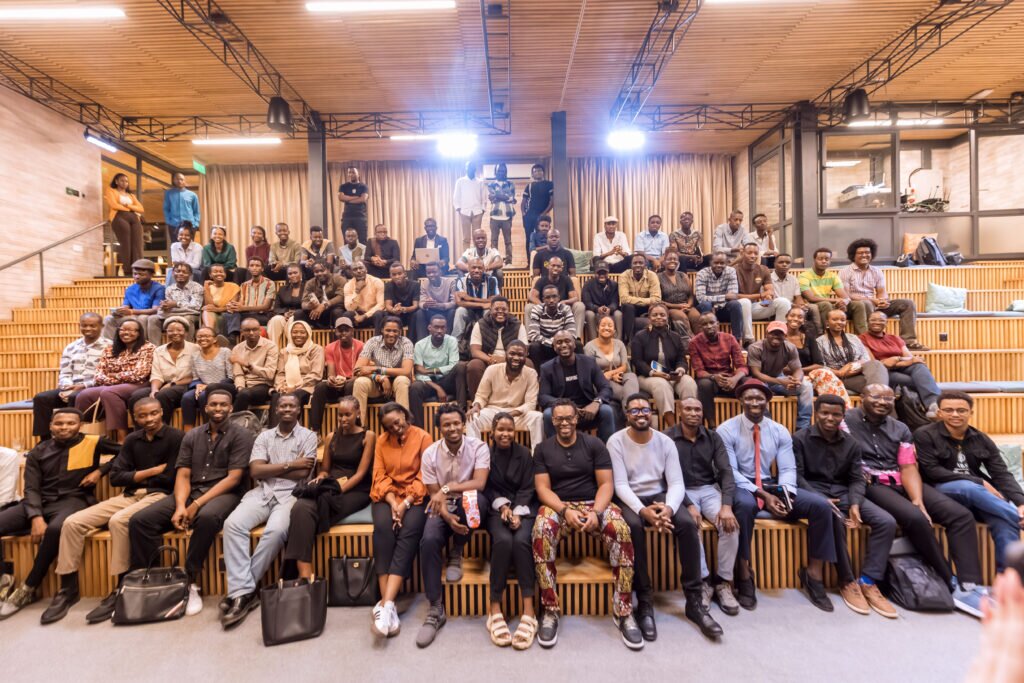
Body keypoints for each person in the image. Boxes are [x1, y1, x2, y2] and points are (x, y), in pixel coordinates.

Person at [845, 384, 988, 617]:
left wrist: (917, 499)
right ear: (862, 398)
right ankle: (950, 580)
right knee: (915, 517)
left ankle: (970, 584)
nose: (882, 402)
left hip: (902, 480)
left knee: (960, 516)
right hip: (872, 484)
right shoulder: (846, 420)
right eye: (876, 396)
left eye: (888, 398)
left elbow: (908, 467)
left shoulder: (900, 427)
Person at [43, 398, 181, 624]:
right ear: (134, 418)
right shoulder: (132, 439)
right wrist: (151, 471)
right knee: (72, 522)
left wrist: (135, 475)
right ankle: (67, 589)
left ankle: (121, 586)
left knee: (119, 521)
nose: (149, 419)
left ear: (162, 412)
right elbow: (116, 477)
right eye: (142, 416)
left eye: (154, 413)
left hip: (160, 495)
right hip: (129, 495)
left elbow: (170, 477)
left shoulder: (176, 437)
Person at [720, 379, 853, 612]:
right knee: (743, 507)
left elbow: (788, 469)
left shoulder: (779, 430)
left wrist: (785, 494)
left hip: (771, 483)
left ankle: (813, 575)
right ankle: (743, 573)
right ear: (740, 400)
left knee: (820, 506)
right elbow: (730, 472)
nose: (754, 402)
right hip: (742, 484)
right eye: (749, 398)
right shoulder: (726, 429)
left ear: (768, 401)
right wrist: (763, 495)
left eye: (759, 398)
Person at [127, 389, 253, 616]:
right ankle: (154, 582)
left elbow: (233, 478)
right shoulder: (192, 435)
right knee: (140, 520)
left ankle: (190, 581)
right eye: (213, 404)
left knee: (207, 517)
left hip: (227, 493)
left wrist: (195, 506)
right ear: (205, 408)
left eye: (223, 404)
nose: (218, 408)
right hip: (192, 490)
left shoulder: (241, 435)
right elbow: (183, 474)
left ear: (231, 408)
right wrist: (180, 506)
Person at [531, 399, 642, 650]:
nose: (564, 423)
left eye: (569, 418)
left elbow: (606, 484)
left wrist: (597, 512)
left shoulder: (594, 444)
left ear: (577, 419)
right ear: (552, 421)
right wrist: (564, 510)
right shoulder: (542, 449)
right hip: (559, 505)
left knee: (621, 530)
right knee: (540, 531)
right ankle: (550, 609)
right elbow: (542, 489)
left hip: (595, 503)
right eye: (559, 419)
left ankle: (624, 610)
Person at [610, 393, 721, 640]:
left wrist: (669, 508)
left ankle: (694, 601)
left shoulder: (665, 441)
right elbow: (620, 484)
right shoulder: (615, 441)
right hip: (630, 496)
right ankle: (645, 601)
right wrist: (643, 511)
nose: (641, 414)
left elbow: (676, 483)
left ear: (652, 413)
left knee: (687, 523)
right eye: (635, 410)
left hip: (659, 494)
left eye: (645, 409)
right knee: (633, 527)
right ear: (627, 415)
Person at [0, 409, 118, 620]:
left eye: (71, 423)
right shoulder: (38, 451)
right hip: (39, 501)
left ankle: (29, 587)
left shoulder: (94, 441)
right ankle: (3, 577)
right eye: (59, 423)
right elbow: (31, 489)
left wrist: (101, 471)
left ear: (80, 425)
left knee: (56, 528)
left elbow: (126, 452)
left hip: (74, 499)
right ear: (51, 426)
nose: (64, 427)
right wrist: (36, 517)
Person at [793, 395, 894, 616]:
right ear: (816, 413)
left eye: (836, 414)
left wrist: (856, 504)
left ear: (843, 416)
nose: (830, 418)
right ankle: (847, 580)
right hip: (814, 491)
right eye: (825, 413)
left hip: (844, 493)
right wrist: (817, 498)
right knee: (834, 518)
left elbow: (856, 478)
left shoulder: (851, 443)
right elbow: (797, 476)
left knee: (886, 521)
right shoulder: (800, 438)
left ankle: (868, 580)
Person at [221, 394, 316, 629]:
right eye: (283, 405)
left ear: (299, 410)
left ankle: (240, 592)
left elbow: (303, 474)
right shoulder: (264, 436)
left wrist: (270, 468)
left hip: (291, 495)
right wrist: (291, 464)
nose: (287, 409)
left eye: (292, 406)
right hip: (262, 493)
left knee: (275, 532)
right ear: (276, 410)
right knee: (232, 525)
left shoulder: (308, 436)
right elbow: (255, 471)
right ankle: (245, 592)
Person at [915, 390, 1024, 574]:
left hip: (978, 497)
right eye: (948, 410)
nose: (955, 414)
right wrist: (978, 481)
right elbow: (932, 471)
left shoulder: (981, 439)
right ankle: (1015, 516)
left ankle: (1010, 579)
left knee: (1003, 522)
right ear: (939, 412)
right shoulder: (924, 434)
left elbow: (1001, 474)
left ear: (971, 412)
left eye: (961, 410)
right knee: (969, 487)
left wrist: (1021, 502)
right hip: (940, 491)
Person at [416, 404, 490, 648]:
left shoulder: (478, 447)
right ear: (439, 428)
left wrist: (448, 488)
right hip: (442, 504)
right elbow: (434, 494)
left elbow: (479, 483)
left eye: (456, 423)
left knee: (477, 502)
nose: (452, 428)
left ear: (463, 424)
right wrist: (448, 518)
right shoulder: (430, 454)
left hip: (468, 497)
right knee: (428, 540)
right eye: (446, 424)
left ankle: (457, 551)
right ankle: (435, 608)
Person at [284, 395, 375, 579]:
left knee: (313, 512)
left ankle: (297, 575)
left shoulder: (368, 436)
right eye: (340, 415)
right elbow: (325, 470)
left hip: (356, 489)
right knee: (300, 507)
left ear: (358, 413)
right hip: (331, 484)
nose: (343, 419)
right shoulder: (331, 437)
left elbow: (361, 474)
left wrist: (338, 490)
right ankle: (305, 572)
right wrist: (319, 480)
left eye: (348, 414)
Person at [667, 398, 741, 617]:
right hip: (680, 490)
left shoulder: (713, 437)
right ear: (679, 411)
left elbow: (726, 472)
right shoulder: (667, 437)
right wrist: (688, 505)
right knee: (692, 527)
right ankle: (704, 581)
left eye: (698, 409)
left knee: (730, 525)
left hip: (709, 489)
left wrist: (726, 505)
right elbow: (664, 477)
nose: (694, 413)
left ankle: (723, 582)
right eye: (688, 409)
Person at [369, 402, 432, 638]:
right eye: (389, 426)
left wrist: (405, 504)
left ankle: (385, 604)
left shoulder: (423, 437)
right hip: (387, 497)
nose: (395, 428)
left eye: (397, 422)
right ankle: (388, 605)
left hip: (415, 496)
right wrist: (393, 502)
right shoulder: (381, 441)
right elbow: (379, 475)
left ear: (405, 416)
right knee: (383, 529)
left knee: (409, 531)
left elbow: (425, 475)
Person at [483, 412, 538, 649]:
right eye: (501, 429)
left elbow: (528, 487)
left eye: (509, 430)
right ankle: (495, 607)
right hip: (496, 509)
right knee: (504, 541)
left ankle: (529, 610)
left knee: (522, 540)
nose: (505, 434)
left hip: (524, 507)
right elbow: (486, 486)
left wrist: (517, 512)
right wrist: (503, 506)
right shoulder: (485, 454)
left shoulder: (524, 453)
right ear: (492, 432)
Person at [32, 313, 111, 442]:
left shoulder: (110, 346)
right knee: (42, 398)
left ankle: (71, 440)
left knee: (75, 396)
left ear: (101, 326)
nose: (88, 328)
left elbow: (108, 375)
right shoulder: (71, 347)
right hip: (71, 387)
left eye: (92, 326)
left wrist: (83, 386)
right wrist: (66, 387)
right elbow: (65, 372)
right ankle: (45, 442)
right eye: (84, 325)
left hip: (94, 388)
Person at [74, 318, 155, 442]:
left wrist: (113, 377)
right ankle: (82, 434)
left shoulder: (148, 348)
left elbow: (139, 374)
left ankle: (122, 438)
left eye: (131, 330)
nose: (126, 333)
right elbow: (99, 375)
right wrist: (115, 379)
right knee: (84, 395)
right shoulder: (110, 349)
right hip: (112, 385)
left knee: (109, 393)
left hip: (138, 384)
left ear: (139, 333)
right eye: (122, 330)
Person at [841, 238, 928, 350]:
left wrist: (883, 301)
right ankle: (871, 342)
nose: (864, 255)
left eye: (867, 252)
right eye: (860, 253)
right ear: (853, 255)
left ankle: (908, 341)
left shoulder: (876, 271)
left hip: (874, 305)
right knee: (866, 303)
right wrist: (872, 300)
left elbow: (882, 292)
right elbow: (847, 295)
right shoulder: (845, 272)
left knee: (907, 303)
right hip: (856, 307)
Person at [538, 330, 616, 442]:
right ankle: (555, 449)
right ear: (554, 347)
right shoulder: (547, 368)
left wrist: (596, 402)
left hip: (587, 412)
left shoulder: (589, 362)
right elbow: (543, 397)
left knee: (606, 411)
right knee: (548, 414)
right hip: (563, 413)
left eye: (567, 341)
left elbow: (605, 387)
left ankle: (605, 449)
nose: (563, 345)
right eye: (559, 342)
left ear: (574, 344)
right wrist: (567, 407)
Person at [860, 310, 940, 418]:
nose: (877, 322)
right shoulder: (862, 339)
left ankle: (933, 405)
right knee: (915, 380)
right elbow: (874, 363)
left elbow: (910, 357)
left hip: (901, 365)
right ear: (868, 322)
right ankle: (927, 406)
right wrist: (901, 360)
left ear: (886, 323)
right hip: (883, 371)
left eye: (881, 320)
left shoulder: (895, 338)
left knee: (919, 365)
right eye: (873, 320)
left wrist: (897, 360)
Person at [467, 340, 544, 450]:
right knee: (472, 418)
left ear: (526, 356)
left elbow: (530, 404)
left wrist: (509, 414)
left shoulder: (531, 373)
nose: (516, 358)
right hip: (493, 412)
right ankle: (475, 455)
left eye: (520, 355)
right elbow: (481, 395)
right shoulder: (492, 370)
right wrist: (476, 406)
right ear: (505, 354)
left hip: (517, 414)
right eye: (512, 353)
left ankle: (537, 456)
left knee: (537, 417)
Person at [630, 303, 697, 428]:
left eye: (662, 315)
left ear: (667, 317)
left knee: (689, 382)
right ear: (649, 318)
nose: (658, 317)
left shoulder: (675, 336)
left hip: (671, 375)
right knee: (661, 385)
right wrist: (654, 373)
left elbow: (681, 358)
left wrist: (680, 370)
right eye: (655, 315)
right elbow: (637, 361)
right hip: (647, 376)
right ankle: (673, 428)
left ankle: (688, 425)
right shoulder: (640, 337)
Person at [128, 317, 196, 425]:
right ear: (166, 333)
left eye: (179, 330)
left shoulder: (195, 349)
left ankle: (161, 429)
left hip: (185, 385)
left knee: (163, 394)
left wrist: (173, 384)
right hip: (164, 385)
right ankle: (140, 431)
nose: (175, 333)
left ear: (186, 332)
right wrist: (154, 390)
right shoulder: (159, 351)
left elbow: (195, 375)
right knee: (137, 396)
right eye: (171, 330)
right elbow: (156, 375)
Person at [747, 321, 813, 430]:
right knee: (760, 388)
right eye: (773, 333)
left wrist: (796, 380)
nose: (776, 336)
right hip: (759, 382)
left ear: (785, 336)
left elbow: (798, 369)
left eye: (780, 333)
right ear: (766, 333)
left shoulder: (790, 347)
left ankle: (803, 427)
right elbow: (756, 374)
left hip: (778, 379)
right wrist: (781, 382)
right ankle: (766, 426)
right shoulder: (756, 348)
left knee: (807, 386)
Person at [461, 297, 529, 401]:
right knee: (474, 365)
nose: (500, 312)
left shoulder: (517, 325)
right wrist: (491, 359)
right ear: (490, 310)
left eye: (504, 309)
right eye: (496, 309)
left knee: (528, 363)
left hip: (511, 359)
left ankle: (521, 401)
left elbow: (524, 350)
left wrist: (505, 359)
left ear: (508, 310)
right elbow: (475, 351)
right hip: (487, 359)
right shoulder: (480, 324)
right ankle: (478, 402)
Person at [688, 312, 748, 428]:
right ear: (700, 327)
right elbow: (699, 371)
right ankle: (712, 426)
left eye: (712, 322)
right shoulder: (694, 343)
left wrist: (735, 379)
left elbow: (742, 366)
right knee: (704, 385)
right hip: (710, 380)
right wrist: (713, 377)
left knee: (749, 383)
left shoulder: (729, 338)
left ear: (718, 324)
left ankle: (753, 422)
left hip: (730, 379)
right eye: (705, 324)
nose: (709, 326)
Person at [352, 317, 415, 425]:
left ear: (400, 332)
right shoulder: (373, 342)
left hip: (397, 384)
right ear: (382, 330)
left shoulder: (406, 343)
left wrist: (378, 369)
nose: (391, 334)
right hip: (377, 384)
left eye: (395, 331)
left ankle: (403, 426)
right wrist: (380, 377)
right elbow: (358, 370)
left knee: (402, 379)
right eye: (388, 330)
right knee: (360, 382)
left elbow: (406, 371)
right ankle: (358, 427)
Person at [785, 306, 851, 407]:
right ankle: (836, 410)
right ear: (786, 317)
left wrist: (799, 370)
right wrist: (795, 373)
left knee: (824, 374)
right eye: (792, 315)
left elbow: (819, 364)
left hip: (809, 376)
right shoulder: (778, 336)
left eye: (800, 317)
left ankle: (841, 411)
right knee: (823, 377)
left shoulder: (808, 337)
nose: (795, 319)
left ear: (804, 321)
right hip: (786, 378)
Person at [308, 317, 365, 434]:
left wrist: (347, 381)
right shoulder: (330, 347)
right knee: (320, 387)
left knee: (352, 385)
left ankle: (349, 430)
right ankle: (315, 431)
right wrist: (331, 380)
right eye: (340, 330)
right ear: (335, 332)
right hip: (338, 384)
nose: (343, 333)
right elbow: (331, 372)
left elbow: (360, 373)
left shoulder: (361, 346)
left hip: (352, 383)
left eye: (346, 330)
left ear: (352, 331)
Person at [817, 309, 889, 396]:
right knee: (878, 386)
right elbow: (820, 366)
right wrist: (839, 373)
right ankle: (879, 397)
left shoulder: (853, 338)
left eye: (842, 320)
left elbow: (866, 358)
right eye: (835, 319)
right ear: (827, 322)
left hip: (858, 372)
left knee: (876, 364)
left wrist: (853, 365)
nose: (839, 322)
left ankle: (875, 397)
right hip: (838, 377)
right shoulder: (819, 341)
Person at [408, 315, 460, 428]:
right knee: (415, 387)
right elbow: (419, 372)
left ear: (446, 329)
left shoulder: (451, 341)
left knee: (461, 367)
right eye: (436, 327)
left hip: (446, 380)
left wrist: (431, 371)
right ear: (429, 328)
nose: (439, 330)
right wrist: (437, 388)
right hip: (429, 383)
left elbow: (454, 365)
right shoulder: (420, 345)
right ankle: (418, 429)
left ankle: (462, 411)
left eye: (442, 327)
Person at [735, 242, 791, 345]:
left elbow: (769, 290)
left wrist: (768, 298)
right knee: (745, 302)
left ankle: (779, 335)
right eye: (749, 253)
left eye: (756, 253)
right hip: (739, 309)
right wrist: (760, 295)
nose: (753, 256)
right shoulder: (734, 270)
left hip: (754, 307)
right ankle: (748, 340)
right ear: (742, 253)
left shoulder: (763, 269)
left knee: (783, 302)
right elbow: (734, 296)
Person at [583, 315, 639, 415]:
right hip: (600, 380)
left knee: (631, 376)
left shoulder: (619, 344)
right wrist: (607, 376)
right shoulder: (589, 347)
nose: (606, 328)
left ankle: (631, 414)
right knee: (626, 394)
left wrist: (611, 374)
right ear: (597, 328)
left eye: (610, 325)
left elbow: (624, 366)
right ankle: (631, 416)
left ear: (614, 330)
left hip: (620, 376)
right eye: (603, 325)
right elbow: (590, 371)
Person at [270, 320, 323, 425]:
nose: (298, 335)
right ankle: (273, 430)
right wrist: (281, 386)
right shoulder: (284, 352)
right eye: (294, 332)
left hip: (307, 387)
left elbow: (316, 374)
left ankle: (290, 428)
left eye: (302, 332)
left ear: (308, 333)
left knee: (293, 396)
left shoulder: (316, 349)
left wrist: (294, 387)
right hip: (287, 386)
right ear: (290, 333)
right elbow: (280, 373)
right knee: (276, 396)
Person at [181, 326, 235, 428]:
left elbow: (231, 377)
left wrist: (210, 386)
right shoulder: (195, 355)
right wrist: (197, 385)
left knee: (204, 396)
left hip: (223, 386)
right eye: (199, 336)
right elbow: (195, 378)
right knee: (187, 397)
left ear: (215, 339)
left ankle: (209, 428)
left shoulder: (225, 352)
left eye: (206, 336)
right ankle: (188, 431)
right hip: (203, 387)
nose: (202, 339)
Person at [103, 258, 165, 345]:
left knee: (142, 318)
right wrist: (120, 311)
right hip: (133, 316)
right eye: (135, 274)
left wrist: (132, 311)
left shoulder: (159, 288)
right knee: (109, 319)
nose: (137, 277)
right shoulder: (130, 289)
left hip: (149, 317)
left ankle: (142, 347)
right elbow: (126, 306)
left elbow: (155, 310)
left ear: (151, 274)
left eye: (141, 274)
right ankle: (109, 347)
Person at [526, 256, 584, 340]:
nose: (555, 268)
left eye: (558, 266)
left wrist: (565, 302)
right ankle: (531, 340)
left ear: (562, 268)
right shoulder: (541, 280)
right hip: (545, 311)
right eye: (553, 265)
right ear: (548, 266)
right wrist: (542, 305)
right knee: (528, 307)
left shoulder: (566, 280)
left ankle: (575, 339)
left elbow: (575, 297)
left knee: (580, 305)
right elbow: (531, 296)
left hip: (562, 311)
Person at [231, 317, 279, 413]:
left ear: (260, 330)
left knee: (244, 394)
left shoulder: (270, 346)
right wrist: (240, 387)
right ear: (242, 332)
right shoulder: (237, 348)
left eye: (255, 330)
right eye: (247, 330)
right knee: (214, 388)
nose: (251, 333)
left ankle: (232, 422)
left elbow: (270, 374)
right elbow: (238, 375)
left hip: (263, 385)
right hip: (244, 384)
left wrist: (249, 366)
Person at [694, 251, 745, 343]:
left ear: (726, 263)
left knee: (735, 304)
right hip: (707, 309)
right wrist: (724, 296)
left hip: (722, 309)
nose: (719, 265)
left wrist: (715, 303)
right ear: (710, 263)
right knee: (706, 304)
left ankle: (737, 340)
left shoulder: (731, 271)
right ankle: (708, 339)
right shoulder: (702, 273)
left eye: (722, 263)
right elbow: (701, 298)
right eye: (716, 263)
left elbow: (733, 295)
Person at [799, 247, 849, 329]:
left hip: (828, 304)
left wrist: (842, 302)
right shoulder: (804, 276)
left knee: (858, 305)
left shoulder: (833, 276)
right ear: (814, 260)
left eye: (827, 259)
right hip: (811, 305)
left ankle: (862, 334)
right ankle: (827, 332)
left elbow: (844, 297)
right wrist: (835, 300)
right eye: (820, 259)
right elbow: (811, 298)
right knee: (826, 304)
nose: (824, 261)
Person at [527, 286, 578, 368]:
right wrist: (552, 343)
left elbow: (572, 333)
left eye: (554, 296)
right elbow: (533, 335)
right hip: (544, 345)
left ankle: (576, 372)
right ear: (543, 299)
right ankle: (538, 374)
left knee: (578, 344)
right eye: (548, 297)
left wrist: (559, 343)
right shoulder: (537, 309)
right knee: (534, 347)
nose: (551, 300)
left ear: (559, 298)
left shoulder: (565, 309)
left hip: (561, 344)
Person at [223, 257, 275, 337]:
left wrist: (243, 308)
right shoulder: (244, 285)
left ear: (262, 269)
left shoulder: (269, 283)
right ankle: (232, 338)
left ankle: (232, 338)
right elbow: (241, 304)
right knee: (227, 315)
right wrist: (233, 306)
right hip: (247, 314)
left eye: (257, 266)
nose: (254, 268)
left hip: (263, 316)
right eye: (252, 265)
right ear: (248, 268)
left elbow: (266, 306)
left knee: (233, 318)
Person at [104, 173, 145, 272]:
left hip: (134, 218)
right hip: (119, 217)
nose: (125, 183)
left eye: (126, 181)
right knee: (126, 243)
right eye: (122, 180)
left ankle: (138, 267)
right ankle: (127, 269)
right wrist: (130, 209)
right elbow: (114, 205)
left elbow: (141, 209)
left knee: (137, 243)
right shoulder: (111, 191)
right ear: (116, 181)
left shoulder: (131, 195)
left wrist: (128, 206)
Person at [619, 252, 662, 339]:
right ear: (631, 265)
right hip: (631, 308)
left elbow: (657, 299)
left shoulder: (652, 276)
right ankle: (630, 340)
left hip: (647, 308)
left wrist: (638, 301)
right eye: (635, 263)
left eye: (640, 263)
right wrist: (647, 300)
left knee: (656, 306)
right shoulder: (624, 276)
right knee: (627, 306)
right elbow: (624, 299)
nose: (638, 265)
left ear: (645, 265)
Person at [453, 257, 500, 339]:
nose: (477, 270)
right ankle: (456, 341)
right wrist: (482, 305)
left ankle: (489, 339)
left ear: (484, 269)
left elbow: (495, 300)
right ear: (468, 269)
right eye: (474, 267)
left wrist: (469, 298)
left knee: (488, 311)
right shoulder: (461, 280)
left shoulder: (492, 280)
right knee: (460, 310)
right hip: (468, 311)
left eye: (480, 268)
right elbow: (459, 302)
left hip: (483, 311)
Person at [658, 251, 700, 338]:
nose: (672, 261)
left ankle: (702, 340)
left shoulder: (683, 275)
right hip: (670, 308)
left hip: (686, 306)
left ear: (678, 262)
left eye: (675, 259)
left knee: (696, 316)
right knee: (681, 317)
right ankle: (691, 341)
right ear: (664, 262)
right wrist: (678, 306)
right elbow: (659, 300)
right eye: (669, 259)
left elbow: (691, 295)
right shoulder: (658, 277)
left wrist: (688, 305)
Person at [157, 261, 204, 339]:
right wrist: (165, 306)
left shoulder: (197, 287)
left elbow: (196, 306)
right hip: (173, 314)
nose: (180, 274)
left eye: (184, 272)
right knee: (153, 319)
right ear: (173, 273)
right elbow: (170, 307)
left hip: (191, 315)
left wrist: (176, 304)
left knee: (187, 318)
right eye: (178, 271)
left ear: (190, 274)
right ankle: (155, 346)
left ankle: (187, 344)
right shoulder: (169, 289)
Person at [414, 261, 457, 342]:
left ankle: (447, 341)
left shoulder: (450, 282)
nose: (431, 275)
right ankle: (422, 342)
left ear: (440, 272)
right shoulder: (424, 283)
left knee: (452, 312)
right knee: (419, 313)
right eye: (428, 273)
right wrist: (426, 304)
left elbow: (454, 303)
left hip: (445, 311)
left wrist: (439, 305)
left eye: (434, 272)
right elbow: (421, 303)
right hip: (431, 311)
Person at [266, 264, 305, 348]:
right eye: (290, 273)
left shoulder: (307, 288)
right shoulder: (282, 289)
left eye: (295, 273)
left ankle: (292, 349)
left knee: (292, 319)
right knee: (276, 319)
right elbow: (276, 308)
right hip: (285, 315)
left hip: (301, 316)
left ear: (301, 274)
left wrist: (295, 313)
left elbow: (309, 306)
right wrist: (285, 313)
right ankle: (274, 349)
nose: (293, 275)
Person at [300, 261, 346, 330]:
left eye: (322, 270)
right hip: (317, 310)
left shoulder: (339, 279)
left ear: (328, 270)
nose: (319, 273)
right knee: (299, 313)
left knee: (337, 312)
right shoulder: (310, 283)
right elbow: (303, 303)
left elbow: (341, 297)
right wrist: (308, 305)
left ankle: (339, 335)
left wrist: (324, 305)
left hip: (334, 308)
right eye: (316, 272)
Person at [582, 261, 622, 339]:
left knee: (618, 314)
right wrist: (597, 309)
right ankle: (593, 340)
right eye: (599, 273)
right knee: (589, 314)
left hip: (609, 311)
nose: (602, 275)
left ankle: (619, 340)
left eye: (604, 273)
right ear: (594, 273)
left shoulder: (614, 285)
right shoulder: (588, 284)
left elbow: (615, 302)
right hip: (594, 311)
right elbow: (587, 302)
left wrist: (610, 309)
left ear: (608, 273)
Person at [453, 161, 488, 250]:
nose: (471, 168)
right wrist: (459, 210)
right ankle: (466, 256)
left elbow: (484, 197)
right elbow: (456, 197)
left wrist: (482, 210)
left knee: (477, 237)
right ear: (466, 168)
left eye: (473, 167)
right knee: (466, 238)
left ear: (475, 169)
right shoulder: (460, 181)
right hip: (464, 212)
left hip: (477, 212)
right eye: (469, 167)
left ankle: (476, 256)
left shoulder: (480, 182)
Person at [522, 163, 553, 260]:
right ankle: (530, 262)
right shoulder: (529, 186)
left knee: (543, 237)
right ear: (532, 174)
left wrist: (544, 213)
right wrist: (524, 213)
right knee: (529, 238)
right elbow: (523, 201)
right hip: (529, 216)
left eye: (539, 170)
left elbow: (552, 201)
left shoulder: (549, 184)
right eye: (535, 171)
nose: (537, 173)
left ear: (543, 172)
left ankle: (544, 261)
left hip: (542, 216)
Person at [342, 260, 385, 331]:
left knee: (378, 314)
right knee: (347, 315)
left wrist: (365, 315)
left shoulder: (377, 282)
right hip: (357, 316)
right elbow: (349, 307)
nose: (359, 271)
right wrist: (357, 291)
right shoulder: (348, 285)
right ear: (351, 273)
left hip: (372, 315)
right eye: (355, 269)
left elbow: (381, 305)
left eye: (361, 268)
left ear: (366, 270)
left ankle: (378, 337)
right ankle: (349, 338)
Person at [378, 262, 420, 334]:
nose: (397, 276)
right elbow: (388, 305)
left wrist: (404, 309)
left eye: (399, 273)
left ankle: (411, 340)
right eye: (394, 274)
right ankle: (381, 339)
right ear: (390, 276)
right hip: (395, 314)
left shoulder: (415, 285)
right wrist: (394, 310)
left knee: (416, 314)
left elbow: (415, 306)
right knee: (379, 314)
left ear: (405, 274)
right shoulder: (388, 285)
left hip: (409, 314)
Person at [487, 163, 516, 265]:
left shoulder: (510, 184)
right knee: (494, 241)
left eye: (503, 171)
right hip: (494, 216)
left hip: (507, 216)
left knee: (508, 241)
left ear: (506, 172)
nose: (501, 173)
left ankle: (509, 262)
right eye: (499, 171)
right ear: (495, 172)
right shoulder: (491, 184)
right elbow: (492, 197)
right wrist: (506, 197)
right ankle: (495, 261)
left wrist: (497, 195)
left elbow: (511, 197)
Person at [200, 263, 240, 336]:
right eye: (215, 272)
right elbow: (209, 306)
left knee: (234, 313)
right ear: (210, 275)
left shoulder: (233, 286)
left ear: (225, 274)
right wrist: (206, 287)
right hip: (213, 314)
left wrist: (218, 309)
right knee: (206, 311)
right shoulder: (208, 288)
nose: (219, 273)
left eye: (221, 272)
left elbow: (232, 306)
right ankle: (210, 334)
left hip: (228, 313)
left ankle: (231, 338)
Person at [163, 172, 200, 244]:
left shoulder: (192, 195)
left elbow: (196, 211)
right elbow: (166, 209)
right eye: (177, 179)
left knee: (190, 246)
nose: (179, 181)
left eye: (181, 179)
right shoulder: (168, 193)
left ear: (184, 181)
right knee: (175, 245)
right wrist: (168, 221)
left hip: (190, 225)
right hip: (174, 224)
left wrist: (195, 224)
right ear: (174, 180)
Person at [338, 166, 369, 244]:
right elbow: (341, 197)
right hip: (347, 217)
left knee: (362, 241)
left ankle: (362, 253)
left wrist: (347, 200)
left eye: (353, 172)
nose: (351, 174)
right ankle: (348, 253)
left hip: (360, 217)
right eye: (349, 172)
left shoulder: (363, 186)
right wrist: (356, 197)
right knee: (347, 241)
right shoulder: (343, 186)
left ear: (358, 174)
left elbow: (363, 199)